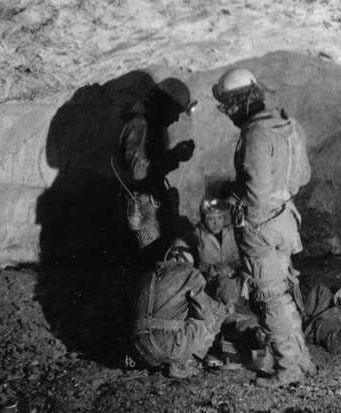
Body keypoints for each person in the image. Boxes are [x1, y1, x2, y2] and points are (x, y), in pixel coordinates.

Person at [212, 68, 315, 387]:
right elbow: (303, 177)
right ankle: (300, 358)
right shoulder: (289, 124)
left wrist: (232, 193)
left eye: (228, 107)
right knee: (281, 293)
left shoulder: (255, 134)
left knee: (269, 298)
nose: (229, 114)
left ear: (239, 102)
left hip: (262, 226)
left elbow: (255, 197)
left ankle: (289, 367)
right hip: (285, 218)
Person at [112, 77, 198, 265]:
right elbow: (139, 172)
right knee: (152, 259)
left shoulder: (151, 125)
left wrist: (174, 156)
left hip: (150, 202)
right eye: (175, 112)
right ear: (164, 104)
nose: (176, 119)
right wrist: (174, 156)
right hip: (142, 208)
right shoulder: (140, 124)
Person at [131, 239, 229, 378]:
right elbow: (204, 312)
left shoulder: (147, 274)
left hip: (139, 349)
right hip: (168, 347)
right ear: (185, 255)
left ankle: (163, 361)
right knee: (214, 313)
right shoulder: (190, 273)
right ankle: (187, 362)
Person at [191, 197, 242, 310]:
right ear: (204, 219)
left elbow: (235, 258)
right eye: (211, 219)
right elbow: (196, 266)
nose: (216, 223)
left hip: (231, 277)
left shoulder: (229, 232)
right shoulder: (197, 235)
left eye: (220, 218)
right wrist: (215, 269)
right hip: (211, 283)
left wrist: (238, 269)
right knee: (228, 296)